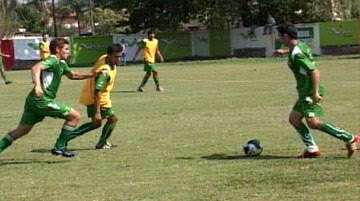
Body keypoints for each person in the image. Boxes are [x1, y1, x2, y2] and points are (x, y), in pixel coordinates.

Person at [273, 23, 359, 158]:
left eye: (280, 36)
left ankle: (349, 137)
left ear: (285, 36)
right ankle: (312, 149)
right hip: (304, 91)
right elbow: (299, 52)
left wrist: (315, 93)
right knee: (294, 119)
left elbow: (314, 71)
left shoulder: (297, 53)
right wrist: (284, 52)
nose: (279, 39)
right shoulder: (300, 46)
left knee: (313, 122)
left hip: (309, 91)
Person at [0, 38, 96, 157]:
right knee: (75, 116)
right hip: (41, 100)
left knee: (21, 131)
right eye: (66, 49)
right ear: (57, 49)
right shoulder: (53, 60)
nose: (68, 52)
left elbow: (73, 75)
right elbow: (36, 68)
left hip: (33, 101)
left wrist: (92, 75)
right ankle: (59, 147)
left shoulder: (61, 63)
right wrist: (38, 86)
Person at [53, 44, 123, 150]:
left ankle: (65, 139)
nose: (118, 59)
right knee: (112, 119)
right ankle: (66, 139)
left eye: (120, 56)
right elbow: (97, 91)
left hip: (92, 95)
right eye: (115, 57)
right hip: (97, 99)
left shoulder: (103, 58)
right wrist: (97, 112)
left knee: (96, 123)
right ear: (109, 55)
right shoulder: (105, 72)